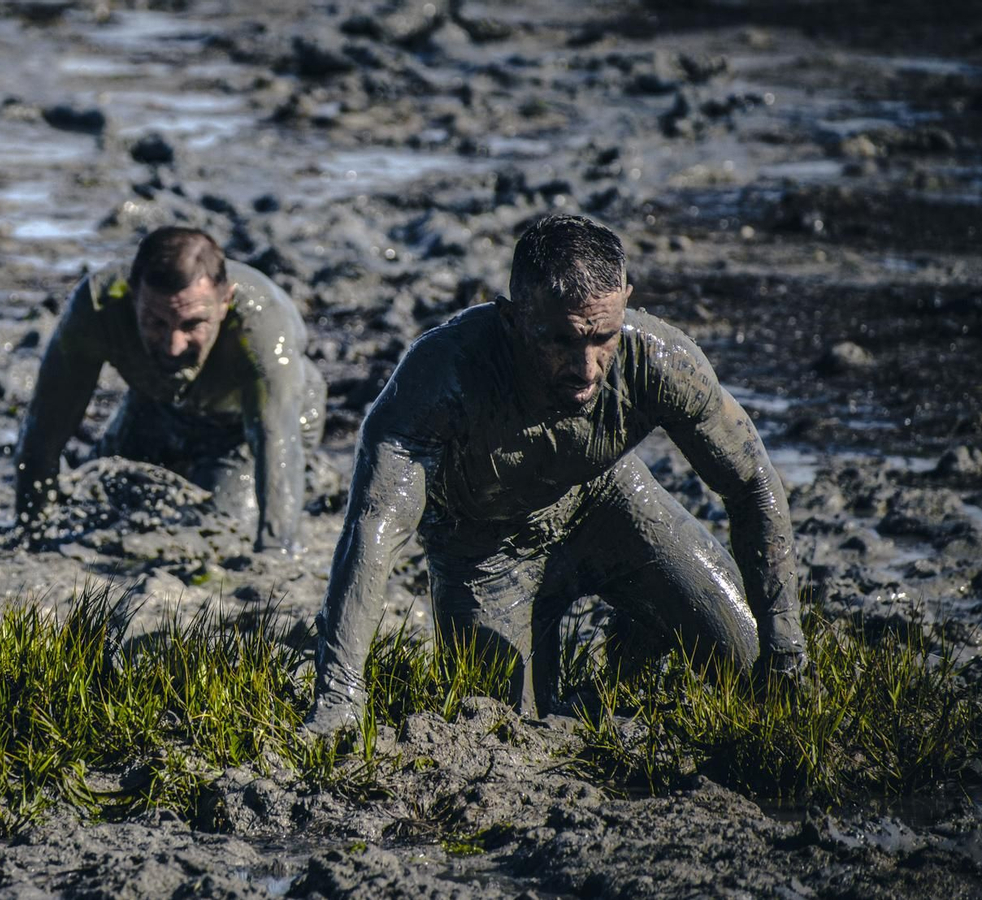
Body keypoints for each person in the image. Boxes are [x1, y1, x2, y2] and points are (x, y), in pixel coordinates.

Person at [305, 214, 806, 732]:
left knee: (747, 664)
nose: (585, 369)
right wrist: (340, 695)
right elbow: (374, 528)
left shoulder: (661, 361)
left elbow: (751, 482)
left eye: (602, 338)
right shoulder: (442, 376)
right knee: (499, 729)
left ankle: (638, 629)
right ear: (511, 318)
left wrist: (786, 644)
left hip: (607, 504)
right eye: (560, 341)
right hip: (482, 551)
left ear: (626, 302)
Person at [14, 227, 325, 554]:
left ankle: (315, 478)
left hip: (249, 431)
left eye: (192, 325)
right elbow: (44, 430)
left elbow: (276, 444)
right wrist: (31, 533)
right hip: (157, 407)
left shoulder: (261, 329)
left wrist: (276, 554)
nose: (173, 346)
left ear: (225, 302)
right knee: (91, 513)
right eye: (155, 322)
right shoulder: (97, 307)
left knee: (218, 536)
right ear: (133, 297)